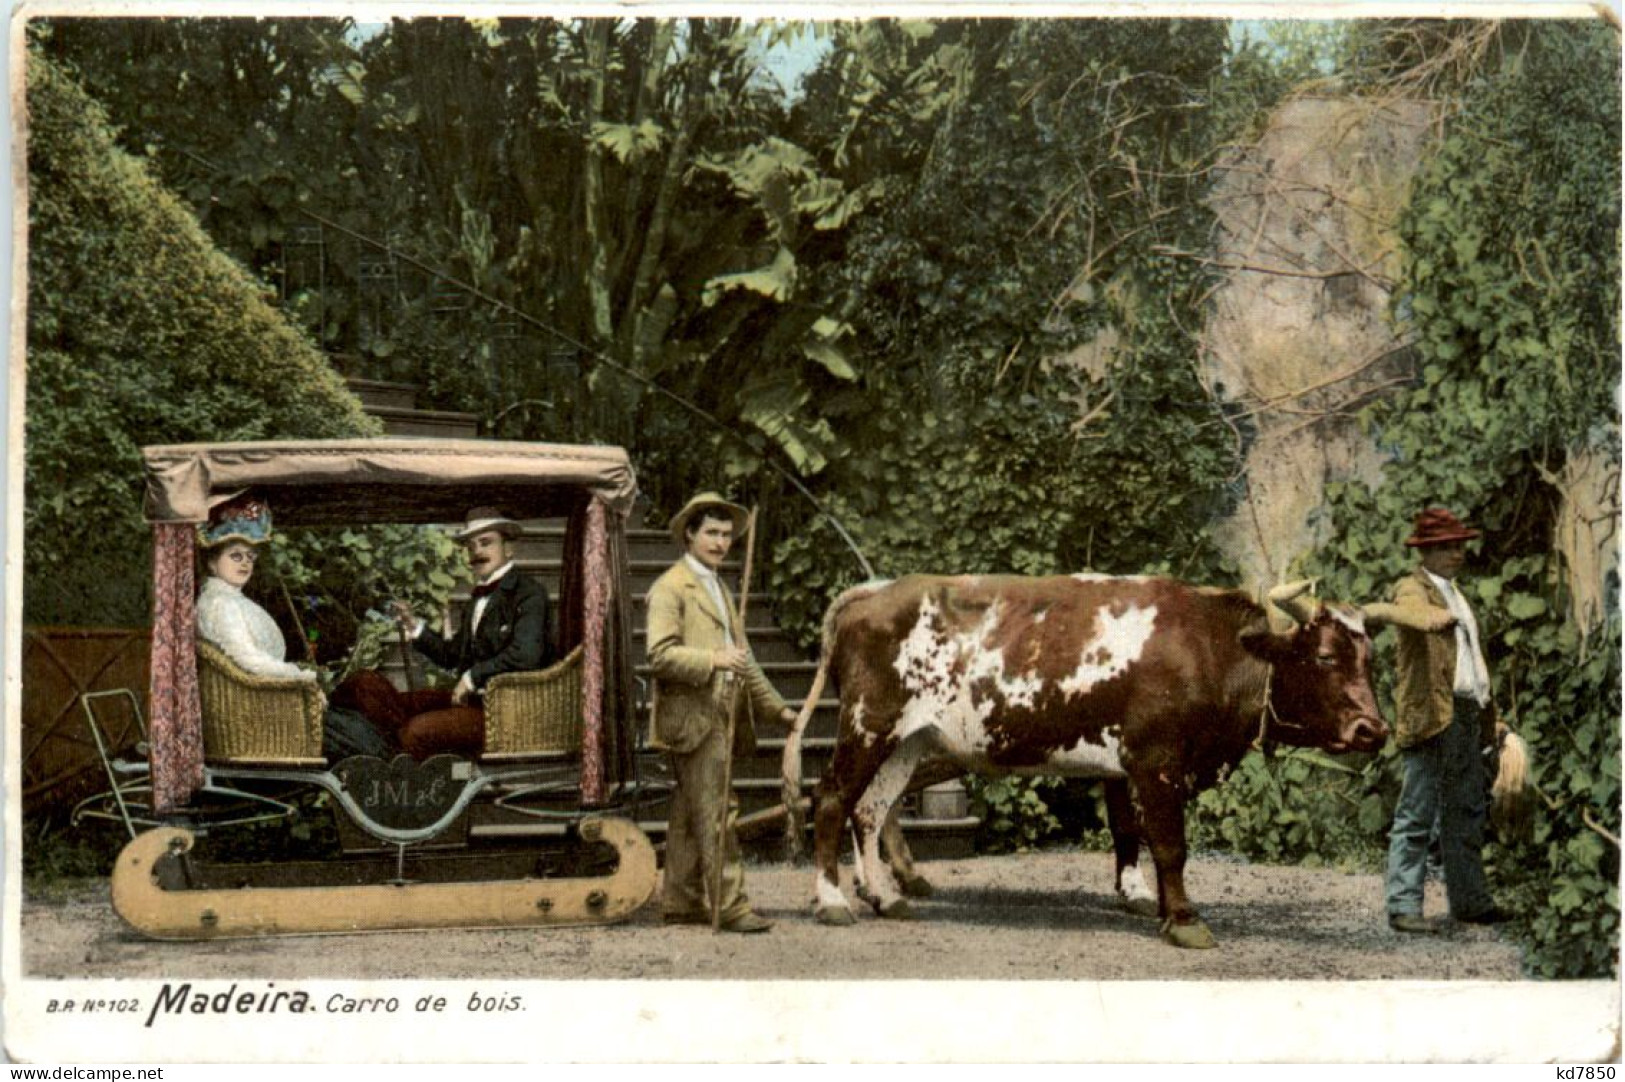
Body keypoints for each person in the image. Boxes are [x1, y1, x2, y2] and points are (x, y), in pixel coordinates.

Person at [647, 493, 798, 933]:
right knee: (717, 811)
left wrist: (780, 711)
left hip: (720, 714)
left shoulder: (719, 587)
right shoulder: (671, 587)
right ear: (689, 534)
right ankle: (731, 905)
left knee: (690, 814)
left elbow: (744, 660)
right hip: (692, 718)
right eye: (711, 533)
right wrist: (713, 659)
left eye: (727, 535)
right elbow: (659, 656)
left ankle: (680, 901)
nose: (720, 543)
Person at [333, 506, 553, 759]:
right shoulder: (477, 599)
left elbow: (526, 655)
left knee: (416, 732)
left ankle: (402, 766)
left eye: (486, 543)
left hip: (504, 713)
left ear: (508, 548)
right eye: (471, 547)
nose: (477, 552)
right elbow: (452, 655)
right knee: (364, 685)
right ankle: (386, 750)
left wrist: (472, 677)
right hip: (470, 701)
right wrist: (414, 625)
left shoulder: (529, 593)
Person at [194, 494, 394, 761]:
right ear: (211, 562)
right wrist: (301, 678)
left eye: (250, 558)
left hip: (268, 701)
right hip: (263, 710)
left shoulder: (228, 600)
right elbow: (247, 659)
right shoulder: (220, 604)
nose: (245, 563)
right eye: (235, 556)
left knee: (359, 724)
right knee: (361, 738)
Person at [1384, 507, 1509, 933]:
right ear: (1426, 551)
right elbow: (1407, 611)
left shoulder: (1457, 594)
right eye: (1446, 547)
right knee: (1417, 812)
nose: (1457, 553)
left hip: (1467, 715)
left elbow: (1472, 664)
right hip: (1433, 716)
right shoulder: (1413, 588)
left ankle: (1471, 902)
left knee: (1466, 810)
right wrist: (1429, 617)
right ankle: (1403, 907)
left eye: (1459, 545)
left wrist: (1491, 715)